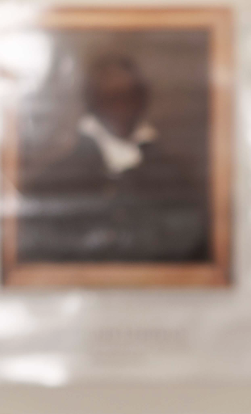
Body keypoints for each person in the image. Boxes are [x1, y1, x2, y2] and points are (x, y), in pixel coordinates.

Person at [17, 52, 209, 264]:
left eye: (130, 95)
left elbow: (193, 240)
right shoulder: (56, 179)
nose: (121, 106)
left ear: (142, 100)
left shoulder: (173, 177)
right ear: (92, 101)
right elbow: (41, 246)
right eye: (111, 96)